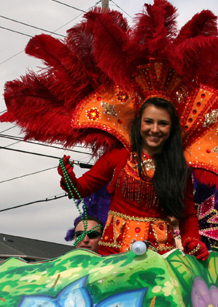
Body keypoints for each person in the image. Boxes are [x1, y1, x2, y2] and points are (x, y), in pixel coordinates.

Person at [58, 97, 208, 260]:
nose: (155, 129)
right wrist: (68, 177)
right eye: (149, 122)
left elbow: (187, 215)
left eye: (163, 123)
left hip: (159, 256)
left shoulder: (178, 167)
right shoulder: (117, 157)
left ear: (172, 128)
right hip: (113, 254)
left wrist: (192, 241)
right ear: (139, 123)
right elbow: (81, 189)